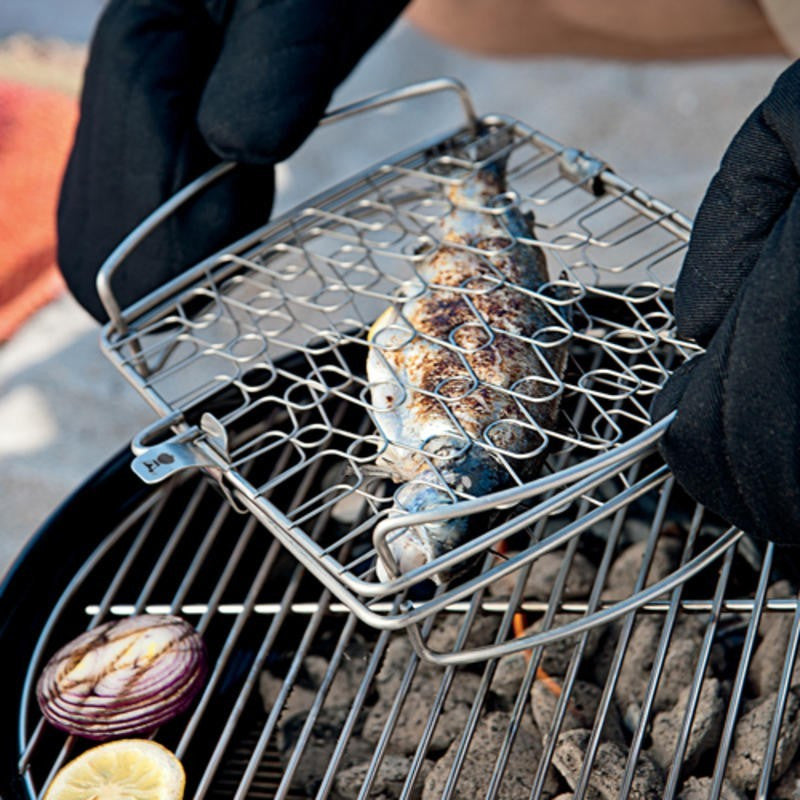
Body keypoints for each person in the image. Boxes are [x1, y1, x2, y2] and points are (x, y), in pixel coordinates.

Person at [57, 0, 800, 545]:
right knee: (468, 11)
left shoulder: (411, 446)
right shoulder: (453, 448)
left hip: (458, 307)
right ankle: (480, 184)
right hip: (475, 297)